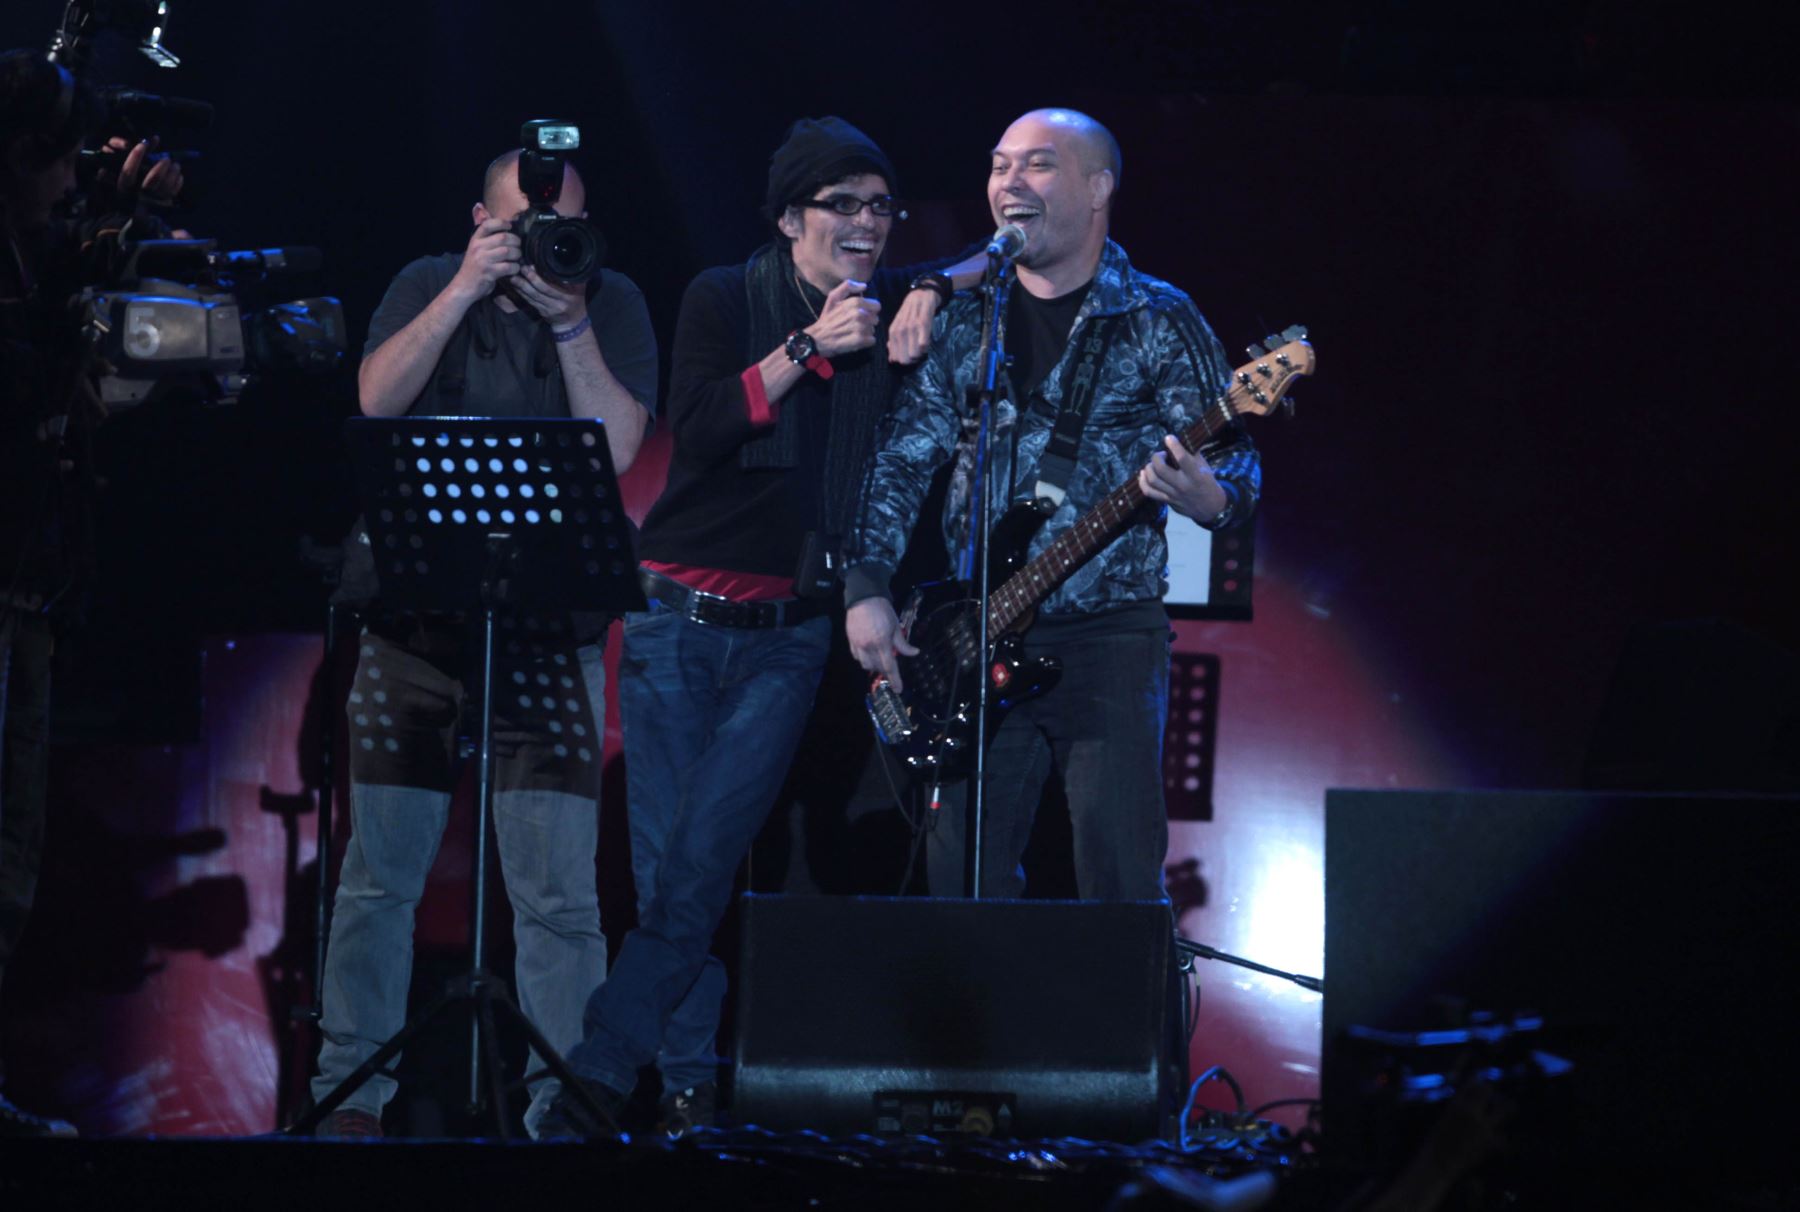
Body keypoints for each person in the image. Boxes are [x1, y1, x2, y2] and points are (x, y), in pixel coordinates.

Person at [544, 116, 975, 1137]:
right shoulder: (726, 296)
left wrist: (933, 290)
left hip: (789, 636)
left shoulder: (886, 314)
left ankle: (597, 1079)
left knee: (700, 865)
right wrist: (805, 348)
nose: (866, 225)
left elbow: (970, 269)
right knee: (671, 877)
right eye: (843, 206)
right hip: (675, 623)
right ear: (791, 217)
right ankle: (689, 1088)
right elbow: (698, 427)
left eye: (880, 208)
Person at [309, 147, 657, 1138]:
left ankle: (568, 1105)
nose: (544, 243)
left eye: (563, 226)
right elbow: (376, 400)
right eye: (520, 226)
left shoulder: (609, 300)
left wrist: (572, 318)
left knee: (558, 895)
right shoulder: (431, 281)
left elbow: (621, 446)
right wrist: (467, 285)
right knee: (378, 879)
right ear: (478, 219)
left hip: (551, 637)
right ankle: (353, 1101)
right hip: (415, 629)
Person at [844, 108, 1262, 902]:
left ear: (1098, 187)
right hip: (973, 634)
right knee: (960, 882)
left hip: (1107, 639)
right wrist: (866, 587)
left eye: (1037, 165)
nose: (1009, 182)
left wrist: (1212, 499)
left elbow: (1236, 460)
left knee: (1116, 882)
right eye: (1000, 166)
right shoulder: (969, 318)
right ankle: (978, 1028)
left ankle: (1127, 1029)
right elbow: (901, 460)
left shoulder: (1156, 317)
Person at [1, 48, 180, 1138]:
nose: (73, 179)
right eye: (55, 157)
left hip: (28, 593)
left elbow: (69, 407)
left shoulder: (40, 271)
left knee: (10, 859)